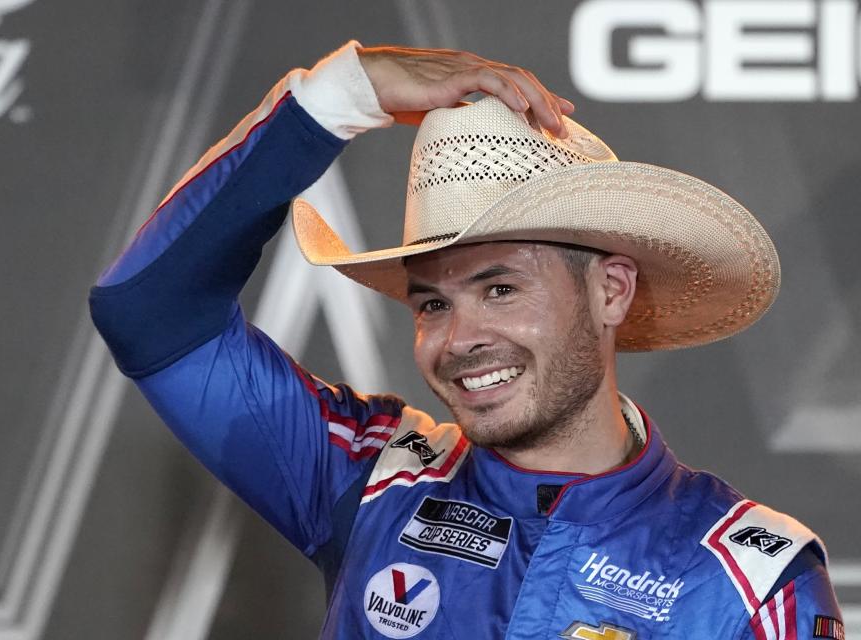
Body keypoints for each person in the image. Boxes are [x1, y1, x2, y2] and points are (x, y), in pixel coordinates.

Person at [89, 41, 843, 639]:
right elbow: (150, 313)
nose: (459, 339)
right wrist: (338, 96)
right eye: (430, 303)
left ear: (610, 290)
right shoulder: (369, 473)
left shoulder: (751, 576)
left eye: (500, 289)